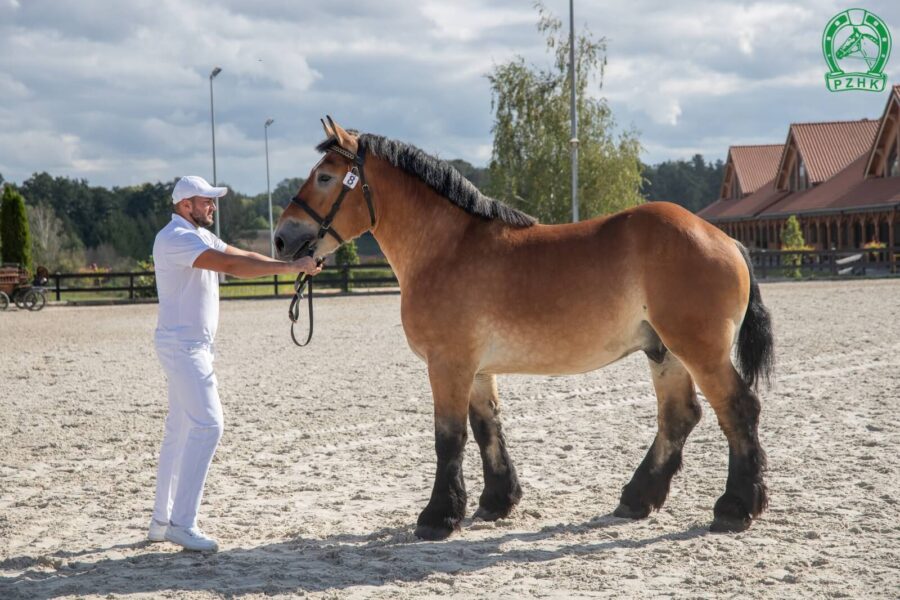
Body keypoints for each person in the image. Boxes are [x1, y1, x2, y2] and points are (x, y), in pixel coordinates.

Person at [148, 175, 320, 552]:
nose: (213, 206)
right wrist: (291, 270)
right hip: (185, 347)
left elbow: (242, 256)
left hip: (190, 345)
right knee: (209, 426)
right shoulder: (176, 238)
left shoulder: (198, 235)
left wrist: (290, 262)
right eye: (206, 200)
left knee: (179, 429)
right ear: (185, 205)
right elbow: (232, 266)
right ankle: (182, 522)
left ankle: (161, 521)